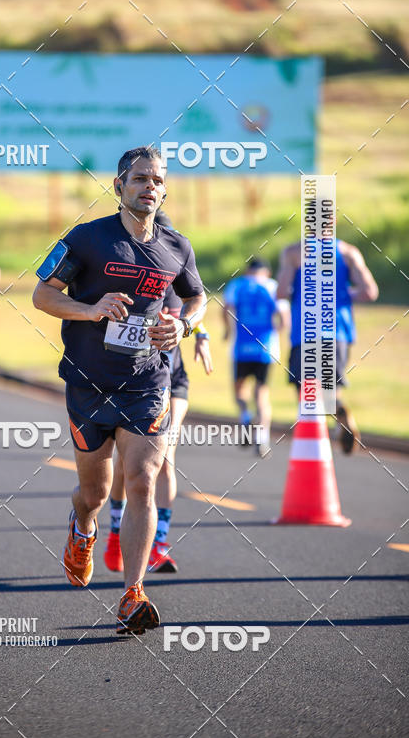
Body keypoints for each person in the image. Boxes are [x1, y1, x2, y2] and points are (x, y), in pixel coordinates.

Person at [33, 146, 207, 635]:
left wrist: (185, 326)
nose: (149, 186)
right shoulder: (87, 240)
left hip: (148, 382)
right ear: (119, 186)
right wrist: (91, 310)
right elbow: (41, 294)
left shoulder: (177, 246)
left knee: (142, 481)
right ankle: (82, 528)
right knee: (94, 491)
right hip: (88, 383)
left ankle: (133, 593)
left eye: (157, 179)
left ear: (165, 188)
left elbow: (198, 296)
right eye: (139, 179)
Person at [104, 211, 213, 575]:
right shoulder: (131, 268)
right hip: (134, 377)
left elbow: (196, 304)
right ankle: (118, 528)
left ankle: (159, 543)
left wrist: (201, 337)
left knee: (166, 455)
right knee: (127, 463)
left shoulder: (175, 262)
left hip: (172, 376)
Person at [276, 238, 378, 452]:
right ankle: (339, 409)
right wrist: (345, 294)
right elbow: (370, 291)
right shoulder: (349, 252)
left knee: (307, 393)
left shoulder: (294, 252)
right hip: (337, 332)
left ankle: (312, 448)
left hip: (305, 332)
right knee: (331, 389)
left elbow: (282, 292)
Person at [223, 259, 285, 458]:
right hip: (265, 348)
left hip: (241, 347)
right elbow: (284, 316)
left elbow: (226, 309)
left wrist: (227, 330)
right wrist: (278, 331)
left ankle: (246, 417)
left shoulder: (237, 285)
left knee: (239, 390)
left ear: (248, 270)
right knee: (262, 394)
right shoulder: (272, 286)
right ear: (266, 271)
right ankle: (262, 439)